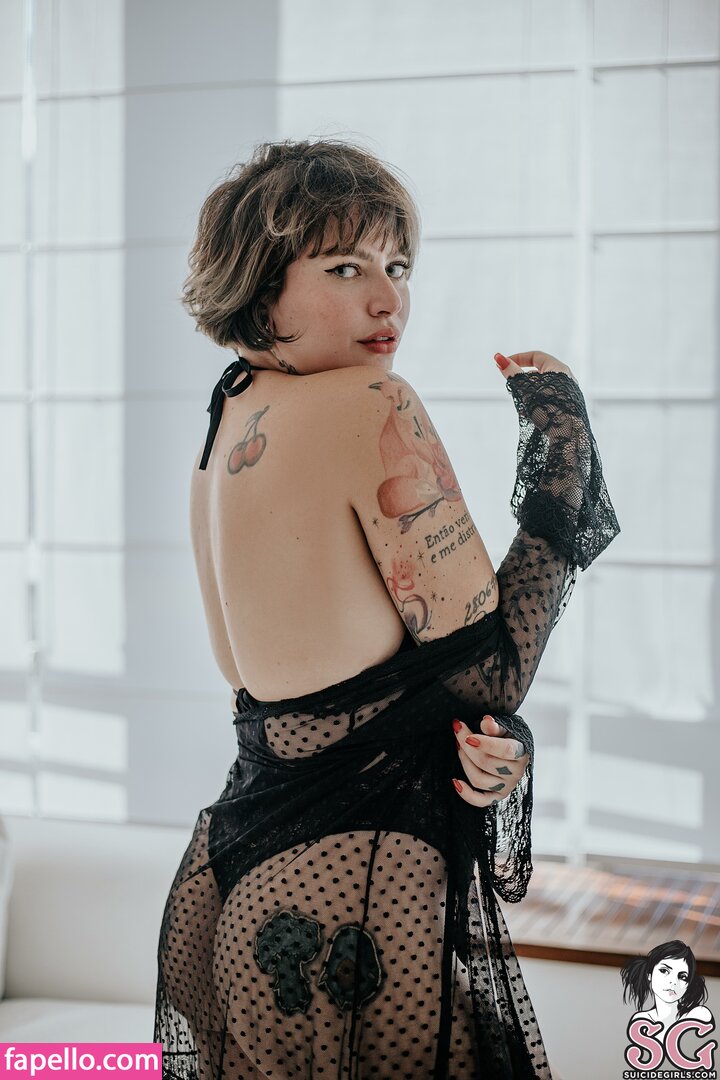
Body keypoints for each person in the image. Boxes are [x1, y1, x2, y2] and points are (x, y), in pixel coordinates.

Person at [153, 138, 620, 1079]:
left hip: (234, 885)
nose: (388, 300)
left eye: (397, 267)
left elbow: (334, 701)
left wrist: (480, 743)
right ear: (260, 284)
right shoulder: (369, 402)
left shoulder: (225, 421)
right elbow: (491, 670)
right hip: (350, 897)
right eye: (344, 267)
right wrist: (564, 454)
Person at [621, 940, 713, 1040]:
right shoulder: (641, 1020)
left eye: (682, 977)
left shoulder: (699, 1015)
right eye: (664, 971)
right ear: (649, 974)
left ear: (688, 984)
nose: (673, 981)